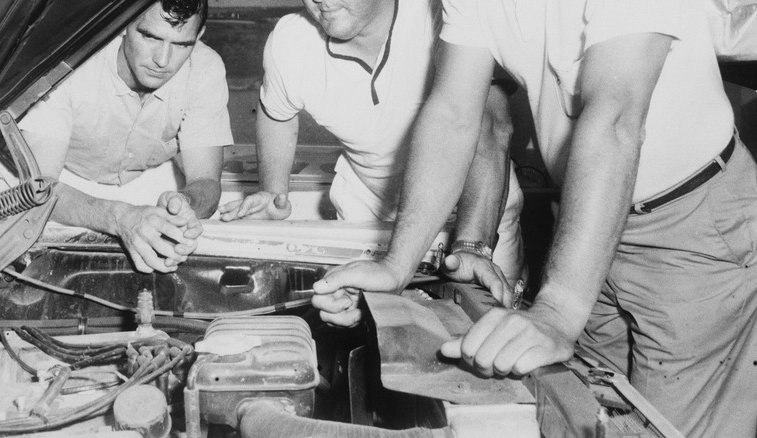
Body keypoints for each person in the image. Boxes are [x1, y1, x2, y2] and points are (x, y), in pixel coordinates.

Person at [310, 0, 757, 437]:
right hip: (592, 224)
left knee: (668, 426)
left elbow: (616, 117)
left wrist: (557, 311)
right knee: (587, 414)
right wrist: (397, 263)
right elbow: (453, 114)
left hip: (692, 224)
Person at [218, 0, 526, 287]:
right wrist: (274, 192)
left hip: (473, 216)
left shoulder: (447, 15)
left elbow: (490, 125)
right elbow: (277, 114)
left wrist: (472, 245)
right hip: (367, 217)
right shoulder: (290, 39)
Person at [19, 0, 233, 274]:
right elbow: (40, 190)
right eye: (150, 36)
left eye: (181, 44)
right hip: (65, 187)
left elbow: (206, 181)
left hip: (150, 185)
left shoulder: (206, 67)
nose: (162, 60)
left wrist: (185, 204)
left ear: (199, 36)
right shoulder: (67, 64)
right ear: (122, 25)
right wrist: (119, 217)